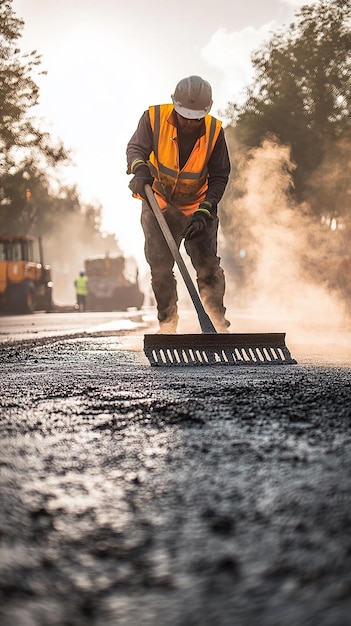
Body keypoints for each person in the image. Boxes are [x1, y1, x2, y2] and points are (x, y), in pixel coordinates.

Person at [126, 75, 231, 333]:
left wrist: (204, 212)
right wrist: (140, 171)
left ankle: (217, 326)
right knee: (160, 268)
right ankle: (168, 325)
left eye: (196, 118)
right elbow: (135, 149)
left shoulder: (215, 132)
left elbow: (219, 176)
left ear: (205, 112)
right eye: (185, 116)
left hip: (198, 208)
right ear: (175, 105)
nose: (189, 123)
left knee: (208, 267)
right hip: (158, 204)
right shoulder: (153, 119)